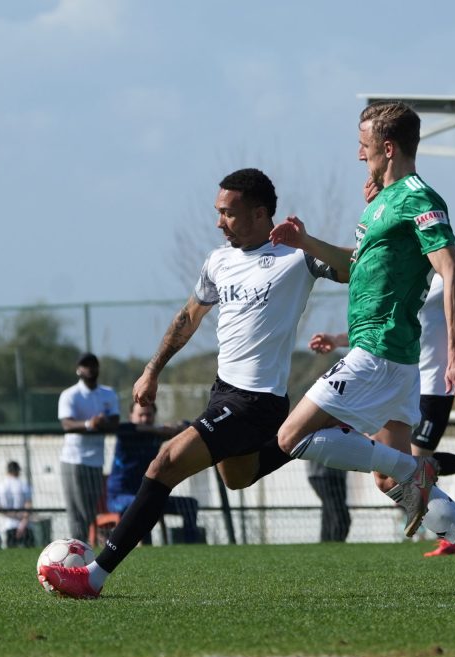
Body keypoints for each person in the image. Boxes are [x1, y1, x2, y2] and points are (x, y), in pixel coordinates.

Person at [40, 167, 352, 598]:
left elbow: (353, 267)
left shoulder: (296, 256)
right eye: (218, 212)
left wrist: (309, 240)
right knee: (237, 477)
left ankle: (93, 576)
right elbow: (188, 317)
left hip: (257, 400)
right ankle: (308, 430)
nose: (219, 222)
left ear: (259, 214)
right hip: (223, 392)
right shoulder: (218, 261)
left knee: (164, 463)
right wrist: (152, 369)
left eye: (228, 213)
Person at [267, 101, 455, 599]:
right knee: (388, 479)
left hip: (378, 354)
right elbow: (352, 266)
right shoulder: (381, 202)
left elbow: (453, 271)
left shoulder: (417, 197)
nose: (358, 156)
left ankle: (417, 469)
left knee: (291, 436)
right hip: (392, 359)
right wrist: (306, 241)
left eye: (364, 147)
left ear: (387, 148)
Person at [309, 273, 455, 557]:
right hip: (404, 383)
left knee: (414, 466)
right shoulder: (400, 276)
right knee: (401, 470)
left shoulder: (444, 281)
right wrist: (337, 340)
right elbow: (381, 329)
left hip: (436, 387)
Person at [107, 402, 201, 544]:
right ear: (131, 416)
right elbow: (123, 427)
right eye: (141, 415)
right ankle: (146, 546)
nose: (145, 418)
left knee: (190, 504)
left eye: (148, 415)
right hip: (119, 498)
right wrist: (159, 430)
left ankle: (191, 546)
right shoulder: (126, 432)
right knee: (143, 505)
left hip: (148, 495)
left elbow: (189, 427)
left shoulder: (156, 434)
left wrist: (178, 426)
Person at [58, 353, 121, 539]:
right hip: (74, 459)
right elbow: (67, 424)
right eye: (85, 365)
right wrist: (89, 424)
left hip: (96, 460)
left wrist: (102, 422)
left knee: (89, 511)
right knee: (77, 512)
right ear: (78, 370)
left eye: (93, 365)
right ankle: (76, 547)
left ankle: (85, 547)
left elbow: (115, 421)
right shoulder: (70, 395)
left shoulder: (108, 393)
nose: (90, 369)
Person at [306, 461, 351, 543]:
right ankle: (336, 546)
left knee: (329, 515)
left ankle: (326, 544)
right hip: (323, 474)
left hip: (337, 475)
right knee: (341, 518)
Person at [0, 460, 34, 548]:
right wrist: (22, 523)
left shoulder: (0, 487)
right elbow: (28, 506)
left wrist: (12, 515)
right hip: (25, 526)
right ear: (18, 471)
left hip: (9, 526)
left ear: (7, 471)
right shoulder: (24, 485)